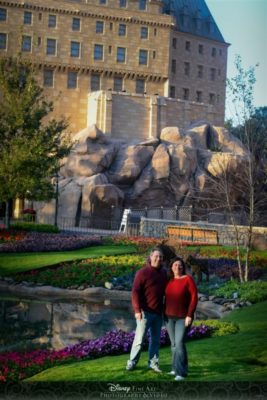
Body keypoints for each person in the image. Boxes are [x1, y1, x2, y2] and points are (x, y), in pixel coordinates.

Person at [126, 248, 167, 373]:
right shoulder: (142, 272)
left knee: (155, 340)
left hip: (158, 314)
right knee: (139, 339)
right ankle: (132, 362)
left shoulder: (164, 273)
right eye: (156, 256)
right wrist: (137, 310)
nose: (158, 259)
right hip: (144, 313)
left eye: (160, 257)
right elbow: (135, 292)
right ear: (151, 257)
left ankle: (153, 363)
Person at [164, 256, 198, 381]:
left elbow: (194, 297)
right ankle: (175, 369)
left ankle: (182, 372)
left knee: (179, 343)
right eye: (175, 265)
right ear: (171, 267)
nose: (177, 267)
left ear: (183, 267)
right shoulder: (169, 280)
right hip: (169, 318)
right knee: (173, 344)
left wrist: (190, 314)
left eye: (180, 265)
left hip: (183, 318)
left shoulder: (188, 279)